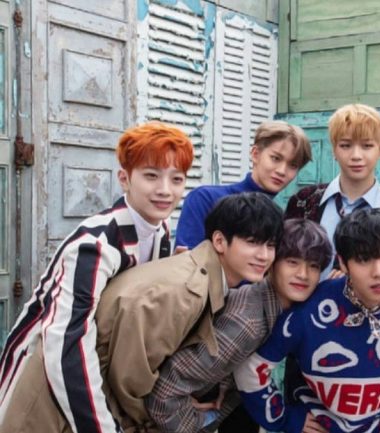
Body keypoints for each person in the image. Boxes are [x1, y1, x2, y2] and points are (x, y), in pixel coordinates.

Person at [0, 122, 194, 433]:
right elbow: (66, 344)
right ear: (124, 178)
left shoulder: (160, 231)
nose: (165, 190)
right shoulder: (95, 244)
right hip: (45, 374)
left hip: (93, 373)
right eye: (151, 175)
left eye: (177, 179)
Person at [235, 209, 380, 433]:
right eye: (364, 259)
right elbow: (250, 370)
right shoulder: (309, 311)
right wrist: (283, 418)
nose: (379, 272)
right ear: (342, 262)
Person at [94, 192, 283, 431]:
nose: (264, 256)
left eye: (271, 245)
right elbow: (129, 385)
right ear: (219, 241)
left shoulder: (204, 277)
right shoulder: (187, 292)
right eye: (252, 242)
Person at [144, 219, 333, 433]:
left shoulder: (269, 306)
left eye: (314, 266)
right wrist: (197, 424)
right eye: (292, 262)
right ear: (272, 262)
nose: (303, 274)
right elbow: (164, 395)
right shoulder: (247, 324)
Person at [284, 103, 380, 278]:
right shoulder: (303, 202)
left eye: (367, 146)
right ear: (334, 150)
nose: (356, 156)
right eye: (346, 145)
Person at [175, 120, 311, 253]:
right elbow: (188, 262)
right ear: (255, 154)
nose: (282, 171)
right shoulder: (206, 199)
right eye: (275, 158)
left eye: (293, 165)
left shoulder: (282, 218)